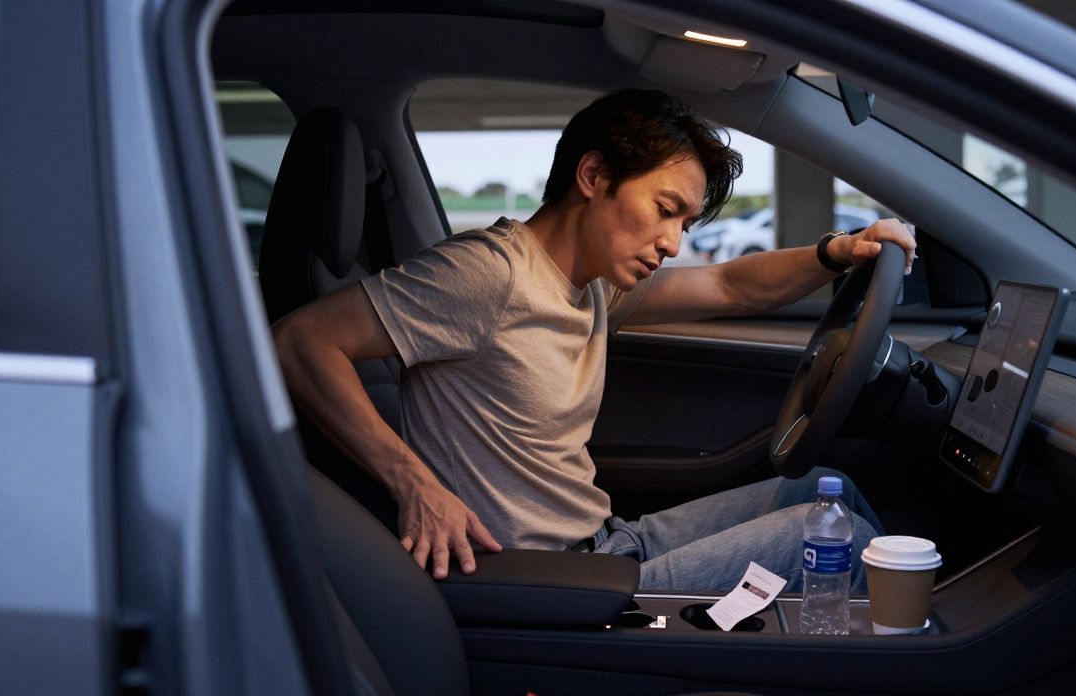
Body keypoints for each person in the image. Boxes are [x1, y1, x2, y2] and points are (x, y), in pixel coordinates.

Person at [273, 89, 916, 592]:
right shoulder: (489, 273)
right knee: (846, 540)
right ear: (593, 176)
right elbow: (301, 341)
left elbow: (728, 286)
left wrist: (839, 251)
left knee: (825, 490)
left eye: (686, 222)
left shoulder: (591, 282)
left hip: (606, 547)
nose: (673, 243)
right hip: (551, 584)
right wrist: (413, 484)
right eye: (665, 210)